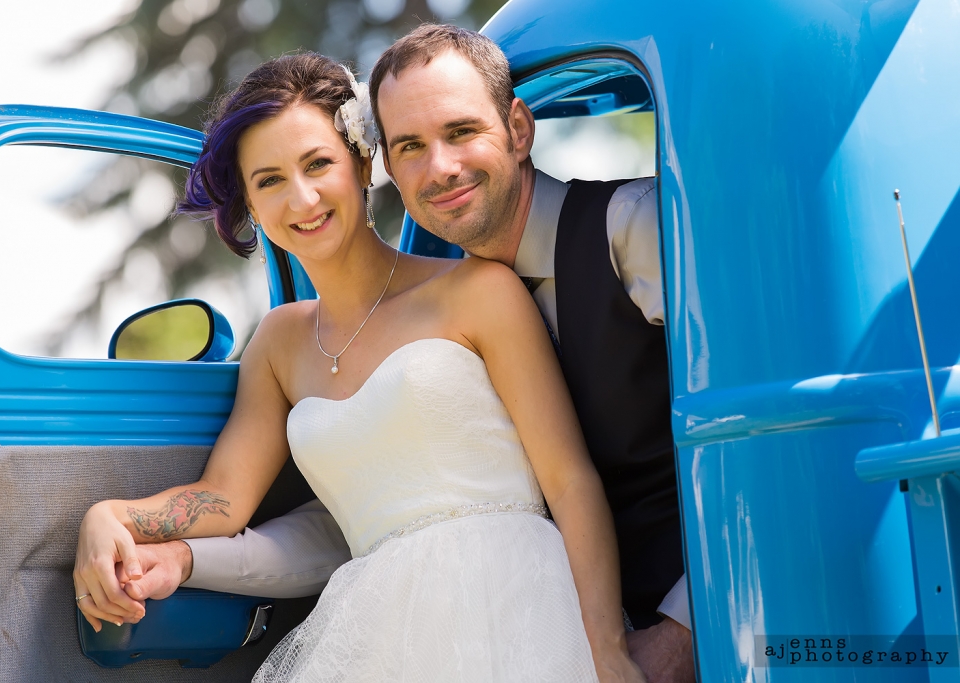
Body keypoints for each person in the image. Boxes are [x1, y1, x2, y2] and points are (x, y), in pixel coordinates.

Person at [82, 25, 695, 683]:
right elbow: (224, 500)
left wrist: (604, 647)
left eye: (318, 164)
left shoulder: (479, 289)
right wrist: (111, 516)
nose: (303, 199)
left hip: (520, 603)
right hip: (379, 627)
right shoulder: (278, 344)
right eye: (270, 180)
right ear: (252, 204)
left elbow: (569, 481)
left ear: (362, 165)